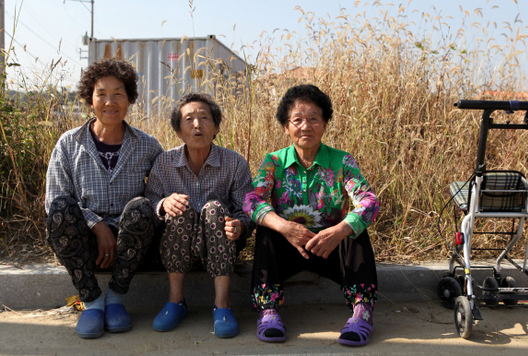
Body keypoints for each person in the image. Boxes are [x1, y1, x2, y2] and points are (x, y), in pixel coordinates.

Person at [243, 84, 380, 346]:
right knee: (267, 230)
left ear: (325, 124)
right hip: (288, 247)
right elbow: (252, 201)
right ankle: (268, 310)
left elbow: (369, 201)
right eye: (297, 120)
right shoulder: (273, 161)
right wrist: (284, 227)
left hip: (330, 248)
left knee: (355, 229)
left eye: (314, 119)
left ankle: (362, 311)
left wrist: (340, 230)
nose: (306, 126)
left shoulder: (342, 161)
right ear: (286, 127)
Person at [45, 59, 164, 339]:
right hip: (84, 240)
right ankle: (91, 301)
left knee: (144, 208)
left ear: (130, 98)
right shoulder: (68, 143)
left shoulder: (147, 145)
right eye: (101, 93)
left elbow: (160, 196)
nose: (110, 102)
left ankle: (115, 297)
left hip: (130, 242)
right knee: (61, 208)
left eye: (118, 93)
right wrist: (96, 225)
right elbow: (54, 199)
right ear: (90, 99)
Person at [146, 93, 254, 338]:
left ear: (215, 127)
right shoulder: (164, 162)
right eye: (189, 119)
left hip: (219, 247)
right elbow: (150, 201)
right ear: (178, 130)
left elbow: (246, 209)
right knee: (178, 206)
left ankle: (222, 304)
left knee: (215, 208)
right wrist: (163, 204)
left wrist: (240, 225)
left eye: (204, 118)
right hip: (176, 247)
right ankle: (176, 301)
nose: (197, 125)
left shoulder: (235, 163)